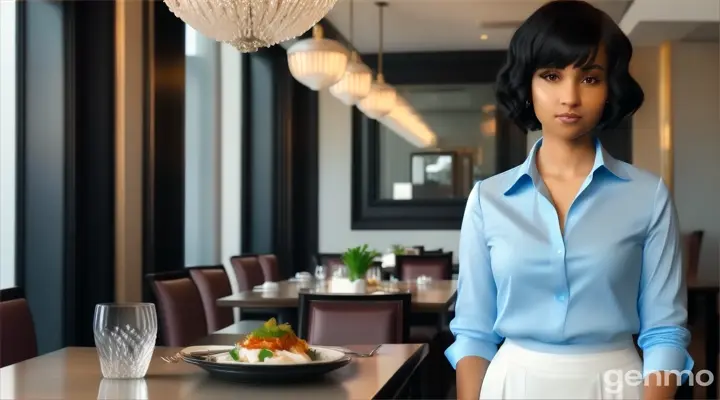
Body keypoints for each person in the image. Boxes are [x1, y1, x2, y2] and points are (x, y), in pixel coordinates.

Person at [445, 1, 693, 399]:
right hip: (512, 383)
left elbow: (664, 330)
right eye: (551, 75)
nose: (570, 96)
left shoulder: (648, 196)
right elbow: (473, 332)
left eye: (590, 78)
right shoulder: (488, 199)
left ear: (610, 87)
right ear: (528, 85)